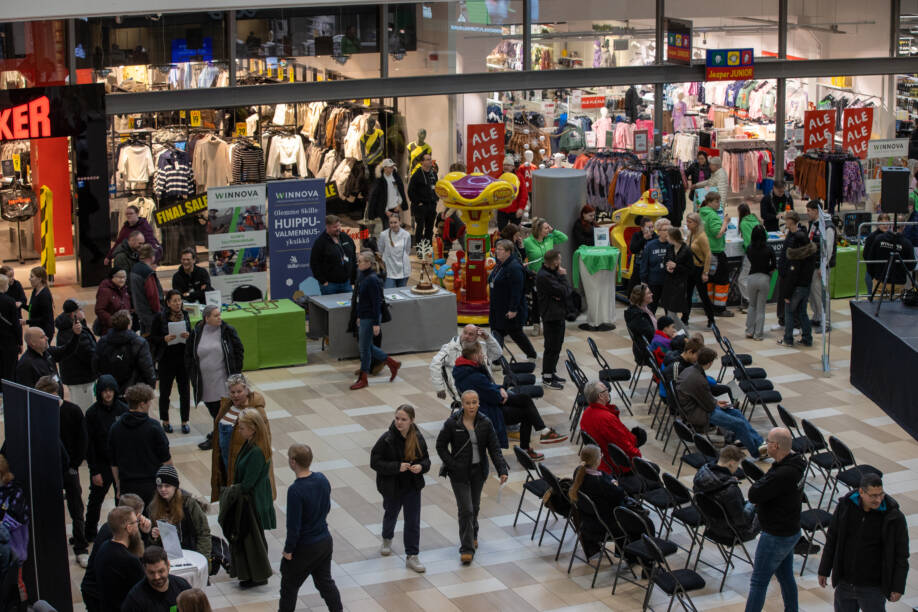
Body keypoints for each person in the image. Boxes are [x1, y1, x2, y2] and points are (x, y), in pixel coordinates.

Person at [453, 342, 566, 461]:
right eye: (481, 353)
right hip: (487, 411)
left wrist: (500, 389)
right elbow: (492, 396)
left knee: (525, 399)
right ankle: (529, 445)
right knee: (526, 413)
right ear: (475, 356)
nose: (483, 355)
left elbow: (488, 388)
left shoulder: (463, 369)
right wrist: (501, 394)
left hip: (487, 404)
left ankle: (542, 432)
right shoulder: (474, 376)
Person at [436, 390, 509, 565]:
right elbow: (440, 446)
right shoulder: (452, 423)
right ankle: (467, 548)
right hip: (459, 474)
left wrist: (501, 469)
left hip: (478, 472)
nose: (471, 406)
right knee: (466, 510)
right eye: (467, 403)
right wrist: (452, 464)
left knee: (474, 507)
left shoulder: (485, 422)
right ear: (462, 404)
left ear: (478, 403)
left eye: (474, 402)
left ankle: (473, 533)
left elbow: (494, 447)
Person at [818, 473, 909, 611]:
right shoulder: (845, 507)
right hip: (845, 582)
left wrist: (898, 586)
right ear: (861, 492)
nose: (878, 500)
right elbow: (833, 539)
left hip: (873, 587)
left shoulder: (894, 517)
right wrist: (824, 569)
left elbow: (901, 554)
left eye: (881, 494)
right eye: (873, 496)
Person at [745, 428, 807, 612]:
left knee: (758, 582)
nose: (765, 443)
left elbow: (754, 493)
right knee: (786, 576)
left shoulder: (783, 474)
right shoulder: (793, 464)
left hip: (776, 534)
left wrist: (762, 485)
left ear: (776, 445)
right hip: (790, 530)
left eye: (768, 440)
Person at [280, 444, 343, 612]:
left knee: (289, 587)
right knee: (325, 582)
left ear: (293, 462)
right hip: (324, 541)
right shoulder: (322, 479)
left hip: (304, 547)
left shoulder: (295, 490)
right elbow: (326, 506)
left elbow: (294, 526)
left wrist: (288, 550)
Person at [34, 375, 89, 566]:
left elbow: (82, 441)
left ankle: (81, 547)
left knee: (76, 509)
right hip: (47, 470)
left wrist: (74, 465)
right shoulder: (37, 414)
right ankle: (52, 547)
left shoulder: (72, 411)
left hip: (69, 470)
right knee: (48, 510)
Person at [370, 405, 430, 573]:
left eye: (403, 419)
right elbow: (375, 462)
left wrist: (420, 467)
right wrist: (397, 466)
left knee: (413, 520)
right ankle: (387, 538)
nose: (399, 422)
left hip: (412, 486)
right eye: (397, 418)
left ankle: (412, 555)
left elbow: (426, 460)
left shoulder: (417, 437)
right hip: (392, 486)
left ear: (411, 421)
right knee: (391, 513)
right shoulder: (387, 439)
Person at [676, 347, 765, 458]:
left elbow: (704, 398)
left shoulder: (690, 370)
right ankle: (757, 453)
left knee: (736, 413)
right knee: (739, 424)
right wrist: (715, 403)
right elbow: (708, 406)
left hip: (699, 406)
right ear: (709, 363)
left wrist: (716, 403)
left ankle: (760, 443)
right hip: (698, 413)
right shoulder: (699, 380)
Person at [186, 304, 244, 450]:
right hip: (205, 380)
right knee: (213, 409)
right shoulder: (197, 332)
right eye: (216, 315)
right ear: (207, 318)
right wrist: (191, 371)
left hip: (223, 379)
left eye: (220, 315)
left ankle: (217, 439)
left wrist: (236, 372)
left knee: (221, 411)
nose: (220, 318)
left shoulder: (227, 331)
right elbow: (189, 354)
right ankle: (219, 433)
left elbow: (239, 350)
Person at [210, 374, 274, 504]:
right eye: (232, 392)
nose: (235, 395)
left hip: (244, 466)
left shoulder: (255, 411)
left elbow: (265, 439)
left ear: (247, 390)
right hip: (225, 461)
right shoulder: (226, 406)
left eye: (239, 391)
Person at [230, 408, 276, 588]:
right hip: (250, 498)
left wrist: (232, 491)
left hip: (253, 501)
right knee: (252, 539)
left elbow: (248, 483)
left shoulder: (256, 451)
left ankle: (258, 574)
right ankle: (252, 573)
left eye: (242, 428)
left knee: (253, 540)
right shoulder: (250, 443)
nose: (239, 431)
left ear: (253, 428)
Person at [81, 493, 148, 612]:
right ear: (128, 527)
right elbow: (142, 589)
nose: (140, 522)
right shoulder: (128, 559)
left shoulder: (107, 541)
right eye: (137, 520)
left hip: (97, 593)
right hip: (97, 595)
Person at [108, 383, 172, 505]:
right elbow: (166, 460)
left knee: (129, 522)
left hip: (127, 486)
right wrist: (170, 485)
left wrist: (118, 485)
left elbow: (113, 463)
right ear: (142, 404)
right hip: (152, 486)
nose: (150, 405)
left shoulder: (115, 427)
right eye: (148, 402)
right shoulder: (153, 427)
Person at [85, 375, 128, 542]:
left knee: (122, 501)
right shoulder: (92, 413)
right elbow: (89, 445)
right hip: (101, 464)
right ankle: (90, 533)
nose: (108, 394)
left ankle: (122, 531)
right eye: (104, 391)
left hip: (120, 464)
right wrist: (94, 470)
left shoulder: (123, 410)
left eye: (110, 390)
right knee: (95, 500)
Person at [350, 251, 400, 390]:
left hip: (370, 317)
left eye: (360, 261)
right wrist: (359, 315)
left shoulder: (372, 279)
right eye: (358, 261)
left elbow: (376, 302)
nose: (358, 263)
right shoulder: (362, 276)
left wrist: (376, 323)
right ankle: (392, 363)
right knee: (365, 346)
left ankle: (364, 378)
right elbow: (361, 300)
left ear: (368, 263)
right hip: (364, 316)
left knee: (364, 348)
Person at [567, 444, 627, 557]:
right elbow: (619, 495)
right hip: (605, 523)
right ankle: (627, 554)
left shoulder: (579, 471)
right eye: (601, 455)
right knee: (640, 522)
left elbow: (605, 478)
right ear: (596, 460)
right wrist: (615, 485)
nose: (602, 456)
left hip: (588, 519)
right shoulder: (599, 483)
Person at [692, 445, 758, 542]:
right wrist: (752, 503)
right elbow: (742, 520)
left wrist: (728, 479)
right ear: (731, 463)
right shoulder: (730, 490)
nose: (736, 469)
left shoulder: (702, 474)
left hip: (710, 524)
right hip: (730, 532)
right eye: (737, 465)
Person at [146, 465, 211, 559]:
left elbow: (203, 533)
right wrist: (154, 537)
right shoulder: (153, 507)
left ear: (175, 486)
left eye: (167, 486)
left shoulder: (189, 504)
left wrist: (203, 559)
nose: (163, 489)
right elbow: (153, 543)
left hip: (191, 553)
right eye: (160, 486)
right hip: (167, 558)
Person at [579, 380, 644, 474]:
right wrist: (638, 456)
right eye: (606, 390)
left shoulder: (586, 413)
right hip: (616, 465)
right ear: (600, 396)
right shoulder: (607, 418)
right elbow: (624, 446)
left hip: (601, 460)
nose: (608, 391)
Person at [150, 291, 191, 433]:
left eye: (179, 300)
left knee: (184, 391)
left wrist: (188, 335)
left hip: (182, 359)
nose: (178, 303)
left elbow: (190, 332)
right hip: (166, 360)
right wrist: (164, 339)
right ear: (168, 303)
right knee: (165, 392)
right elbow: (152, 337)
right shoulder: (159, 317)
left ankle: (185, 420)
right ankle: (165, 420)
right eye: (174, 301)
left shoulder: (185, 315)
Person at [489, 239, 538, 360]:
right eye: (497, 250)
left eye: (500, 250)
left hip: (509, 308)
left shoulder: (514, 267)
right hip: (498, 307)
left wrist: (513, 309)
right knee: (497, 331)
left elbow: (517, 291)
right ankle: (496, 361)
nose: (497, 252)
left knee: (515, 333)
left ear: (508, 252)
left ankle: (531, 354)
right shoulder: (500, 264)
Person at [430, 324, 503, 400]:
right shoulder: (449, 348)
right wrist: (439, 388)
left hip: (484, 386)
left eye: (471, 334)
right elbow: (435, 364)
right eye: (465, 333)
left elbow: (497, 353)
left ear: (477, 336)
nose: (466, 336)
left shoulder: (482, 347)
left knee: (505, 398)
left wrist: (488, 338)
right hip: (463, 391)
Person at [94, 505, 145, 612]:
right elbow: (142, 592)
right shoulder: (129, 560)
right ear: (129, 528)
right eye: (136, 522)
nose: (138, 525)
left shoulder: (104, 547)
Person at [94, 309, 156, 392]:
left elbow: (95, 364)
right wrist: (151, 385)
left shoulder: (102, 342)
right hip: (134, 390)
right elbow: (147, 368)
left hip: (109, 389)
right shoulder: (139, 343)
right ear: (129, 324)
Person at [778, 216, 817, 347]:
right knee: (802, 313)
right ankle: (807, 338)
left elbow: (792, 276)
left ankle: (788, 339)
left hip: (796, 288)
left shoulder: (797, 258)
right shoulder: (811, 255)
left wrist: (787, 294)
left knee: (789, 312)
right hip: (806, 286)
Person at [535, 249, 570, 389]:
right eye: (559, 260)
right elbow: (564, 291)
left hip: (558, 314)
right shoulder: (544, 276)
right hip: (551, 316)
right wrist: (563, 278)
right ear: (554, 261)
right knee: (551, 346)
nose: (560, 263)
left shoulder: (550, 273)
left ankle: (551, 372)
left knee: (557, 345)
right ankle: (547, 377)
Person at [54, 299, 97, 408]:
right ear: (73, 314)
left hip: (75, 376)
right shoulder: (73, 331)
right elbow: (87, 353)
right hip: (81, 379)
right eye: (81, 310)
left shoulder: (69, 326)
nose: (83, 312)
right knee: (85, 409)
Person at [122, 545, 192, 611]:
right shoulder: (135, 599)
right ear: (144, 569)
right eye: (151, 573)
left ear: (168, 565)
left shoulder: (182, 587)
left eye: (161, 571)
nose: (157, 577)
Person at [698, 192, 733, 316]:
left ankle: (710, 305)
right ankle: (719, 308)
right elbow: (718, 233)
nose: (719, 204)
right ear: (710, 202)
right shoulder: (712, 216)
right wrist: (725, 222)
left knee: (710, 280)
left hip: (706, 251)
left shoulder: (701, 213)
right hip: (716, 252)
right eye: (717, 202)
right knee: (721, 281)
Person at [15, 323, 80, 388]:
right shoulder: (25, 365)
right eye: (42, 337)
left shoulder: (48, 352)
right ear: (33, 342)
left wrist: (76, 335)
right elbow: (28, 392)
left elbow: (67, 350)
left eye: (45, 335)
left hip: (56, 396)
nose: (47, 338)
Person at [806, 200, 836, 331]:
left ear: (815, 211)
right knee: (813, 293)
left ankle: (826, 321)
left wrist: (823, 265)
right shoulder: (814, 224)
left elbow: (828, 248)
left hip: (821, 266)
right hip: (812, 264)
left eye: (809, 211)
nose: (807, 214)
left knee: (822, 294)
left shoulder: (828, 226)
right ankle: (818, 316)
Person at [310, 215, 357, 295]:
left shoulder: (345, 237)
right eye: (335, 227)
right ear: (327, 227)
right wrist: (323, 281)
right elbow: (314, 263)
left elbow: (353, 255)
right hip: (330, 285)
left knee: (348, 306)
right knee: (331, 307)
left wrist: (353, 277)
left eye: (339, 226)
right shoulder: (320, 242)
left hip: (346, 283)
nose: (338, 228)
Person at [745, 226, 777, 340]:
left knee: (752, 305)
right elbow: (774, 264)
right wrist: (768, 270)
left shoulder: (749, 248)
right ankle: (758, 334)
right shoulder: (769, 248)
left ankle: (749, 330)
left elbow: (750, 259)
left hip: (751, 277)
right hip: (764, 278)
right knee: (761, 308)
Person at [685, 212, 716, 327]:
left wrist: (705, 272)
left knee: (703, 295)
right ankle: (685, 318)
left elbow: (708, 255)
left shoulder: (702, 236)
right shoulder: (690, 234)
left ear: (696, 223)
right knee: (687, 295)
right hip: (690, 269)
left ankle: (711, 319)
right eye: (687, 221)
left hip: (699, 269)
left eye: (690, 222)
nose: (687, 224)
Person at [661, 227, 692, 329]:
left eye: (668, 236)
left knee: (672, 312)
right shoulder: (669, 248)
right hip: (669, 282)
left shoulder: (686, 250)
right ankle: (677, 332)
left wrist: (676, 266)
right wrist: (668, 267)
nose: (666, 238)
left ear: (673, 237)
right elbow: (666, 261)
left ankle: (682, 332)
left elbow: (690, 269)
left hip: (680, 284)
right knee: (669, 311)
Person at [130, 244, 164, 336]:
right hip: (150, 315)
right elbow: (153, 296)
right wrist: (158, 313)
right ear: (152, 256)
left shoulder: (135, 268)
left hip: (140, 312)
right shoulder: (147, 272)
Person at [639, 218, 671, 313]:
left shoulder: (672, 245)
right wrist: (643, 281)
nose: (668, 232)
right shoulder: (650, 245)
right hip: (654, 282)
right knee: (651, 308)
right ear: (659, 231)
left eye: (669, 230)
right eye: (665, 230)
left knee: (669, 309)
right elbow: (644, 264)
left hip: (668, 282)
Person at [407, 152, 439, 245]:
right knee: (420, 227)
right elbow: (410, 191)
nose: (430, 161)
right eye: (428, 159)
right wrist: (417, 202)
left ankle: (428, 248)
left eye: (430, 159)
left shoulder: (434, 174)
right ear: (422, 162)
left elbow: (437, 187)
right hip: (421, 206)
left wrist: (436, 198)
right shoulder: (417, 175)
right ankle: (420, 249)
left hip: (431, 205)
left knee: (429, 228)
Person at [737, 202, 763, 310]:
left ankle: (750, 300)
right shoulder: (757, 220)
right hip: (761, 253)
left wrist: (745, 248)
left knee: (742, 279)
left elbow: (748, 241)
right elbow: (765, 235)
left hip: (751, 254)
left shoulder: (743, 223)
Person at [368, 158, 408, 228]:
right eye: (390, 167)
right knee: (386, 231)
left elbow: (398, 192)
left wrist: (399, 204)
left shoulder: (395, 177)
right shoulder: (380, 180)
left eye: (392, 166)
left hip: (395, 209)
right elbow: (375, 196)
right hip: (385, 212)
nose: (392, 168)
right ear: (385, 168)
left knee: (396, 231)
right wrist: (385, 210)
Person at [95, 268, 132, 336]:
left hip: (124, 328)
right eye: (119, 277)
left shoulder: (124, 289)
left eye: (124, 277)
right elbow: (99, 310)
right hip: (110, 330)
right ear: (112, 277)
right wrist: (114, 322)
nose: (122, 279)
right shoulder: (105, 291)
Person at [624, 283, 655, 364]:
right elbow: (651, 334)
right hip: (647, 351)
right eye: (649, 293)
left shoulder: (645, 308)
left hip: (652, 344)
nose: (652, 294)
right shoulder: (637, 316)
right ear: (641, 297)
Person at [378, 215, 412, 288]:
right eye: (391, 223)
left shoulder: (406, 234)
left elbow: (407, 250)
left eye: (395, 222)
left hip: (403, 269)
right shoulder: (383, 234)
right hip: (389, 268)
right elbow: (380, 250)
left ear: (400, 222)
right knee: (389, 293)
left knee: (402, 293)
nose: (393, 225)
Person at [0, 275, 21, 386]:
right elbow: (16, 324)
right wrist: (20, 342)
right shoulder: (9, 301)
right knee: (9, 371)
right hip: (9, 342)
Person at [25, 265, 54, 341]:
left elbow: (45, 318)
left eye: (32, 277)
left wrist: (26, 322)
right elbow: (32, 309)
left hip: (44, 332)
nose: (29, 279)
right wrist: (21, 305)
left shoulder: (44, 295)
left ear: (40, 279)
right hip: (36, 329)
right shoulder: (35, 291)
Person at [863, 213, 891, 289]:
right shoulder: (872, 236)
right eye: (883, 223)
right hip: (872, 272)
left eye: (887, 223)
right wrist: (872, 270)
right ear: (878, 224)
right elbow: (866, 255)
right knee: (871, 296)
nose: (885, 225)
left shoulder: (892, 237)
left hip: (887, 272)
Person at [628, 217, 656, 289]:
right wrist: (644, 239)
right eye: (649, 227)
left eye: (652, 227)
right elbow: (633, 249)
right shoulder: (637, 235)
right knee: (633, 288)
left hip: (651, 268)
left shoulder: (655, 236)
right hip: (638, 267)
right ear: (642, 228)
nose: (652, 229)